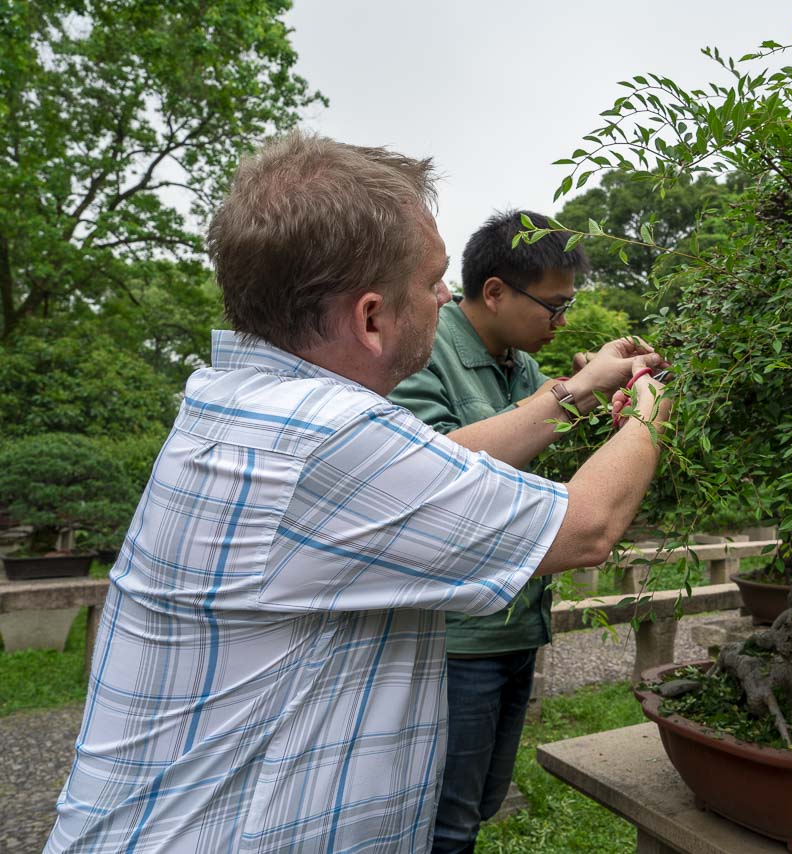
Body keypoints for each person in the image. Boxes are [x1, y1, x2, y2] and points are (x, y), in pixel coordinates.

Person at [44, 131, 672, 854]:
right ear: (372, 316)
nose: (446, 295)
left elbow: (437, 464)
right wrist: (652, 406)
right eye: (434, 279)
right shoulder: (326, 437)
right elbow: (586, 527)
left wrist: (578, 393)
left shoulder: (239, 398)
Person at [390, 209, 638, 853]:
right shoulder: (425, 351)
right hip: (454, 637)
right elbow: (431, 472)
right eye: (552, 307)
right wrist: (577, 389)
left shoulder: (521, 364)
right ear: (495, 291)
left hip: (514, 620)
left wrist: (590, 392)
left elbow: (529, 453)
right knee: (444, 818)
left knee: (482, 802)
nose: (562, 322)